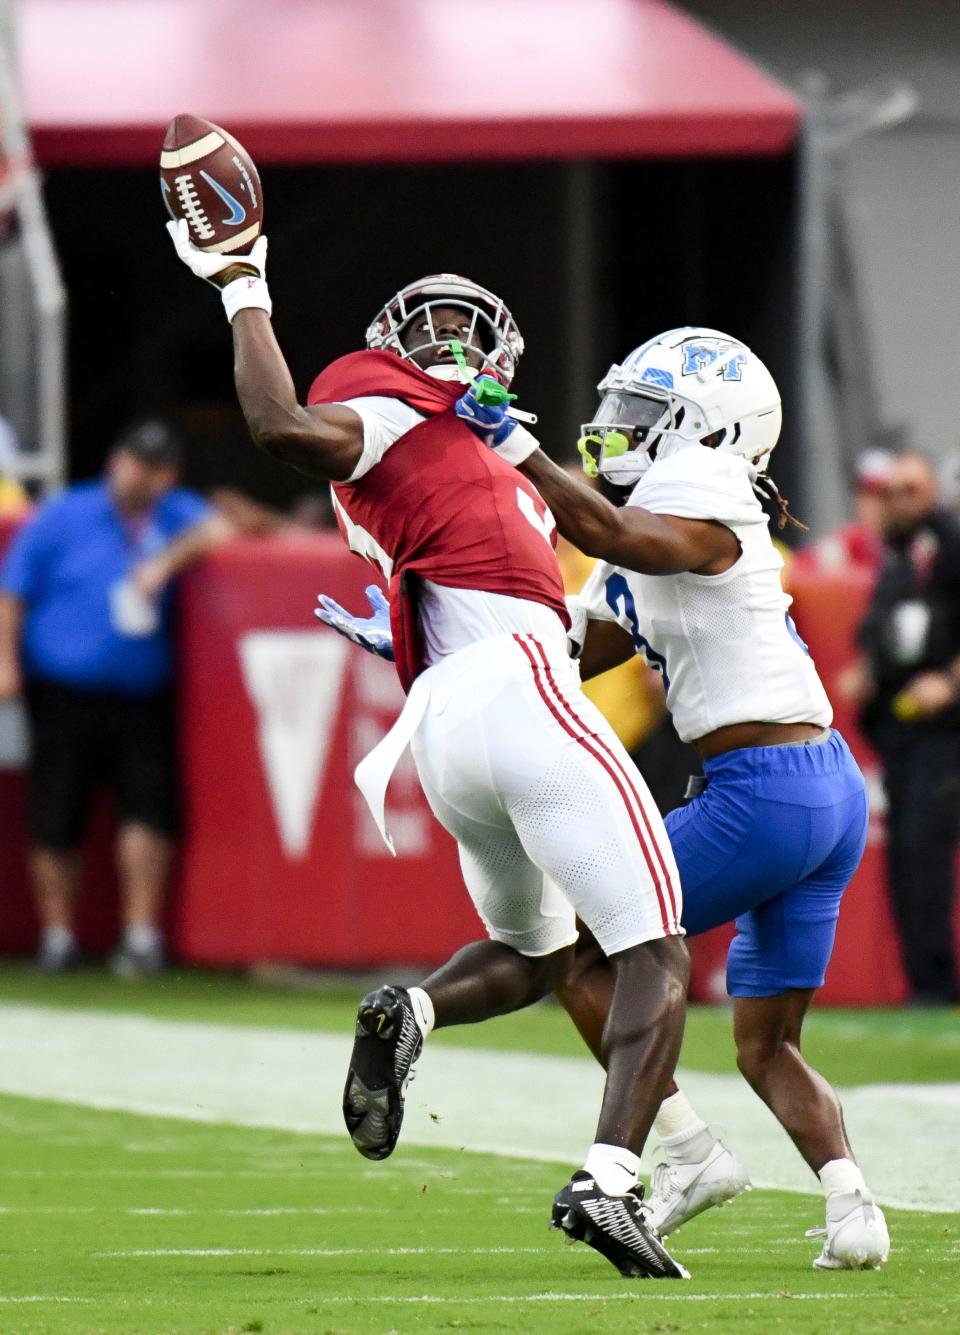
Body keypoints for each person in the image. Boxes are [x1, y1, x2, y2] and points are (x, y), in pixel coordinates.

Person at [166, 219, 691, 1281]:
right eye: (432, 328)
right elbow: (276, 425)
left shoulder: (464, 443)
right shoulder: (390, 413)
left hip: (450, 721)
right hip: (517, 695)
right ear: (397, 349)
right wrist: (241, 280)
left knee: (542, 956)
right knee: (657, 950)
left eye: (467, 327)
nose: (450, 342)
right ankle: (611, 1184)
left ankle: (408, 1010)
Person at [456, 327, 889, 1271]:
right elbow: (562, 655)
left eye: (646, 413)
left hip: (764, 793)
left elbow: (611, 536)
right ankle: (854, 1206)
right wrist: (434, 644)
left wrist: (515, 448)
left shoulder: (705, 497)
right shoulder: (663, 515)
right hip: (822, 787)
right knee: (766, 1042)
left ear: (710, 430)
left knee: (565, 936)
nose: (619, 427)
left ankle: (685, 1151)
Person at [0, 420, 226, 977]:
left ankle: (141, 935)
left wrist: (164, 563)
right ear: (115, 460)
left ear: (165, 474)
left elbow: (221, 528)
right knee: (56, 814)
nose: (138, 474)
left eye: (152, 467)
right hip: (62, 690)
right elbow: (13, 591)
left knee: (148, 812)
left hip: (141, 693)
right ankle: (58, 936)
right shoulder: (64, 513)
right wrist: (5, 664)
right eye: (132, 461)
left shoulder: (173, 514)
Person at [843, 451, 960, 1007]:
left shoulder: (951, 545)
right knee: (909, 855)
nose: (899, 501)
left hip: (946, 728)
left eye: (911, 489)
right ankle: (924, 980)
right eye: (891, 491)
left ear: (933, 490)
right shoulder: (898, 553)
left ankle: (935, 982)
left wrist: (951, 682)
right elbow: (885, 624)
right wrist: (869, 667)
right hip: (904, 729)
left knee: (924, 848)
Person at [794, 448, 894, 576]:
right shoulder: (843, 545)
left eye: (881, 495)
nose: (872, 504)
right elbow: (796, 569)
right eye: (866, 494)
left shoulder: (915, 548)